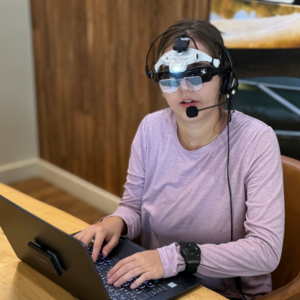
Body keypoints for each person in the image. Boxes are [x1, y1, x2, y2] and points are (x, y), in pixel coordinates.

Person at [74, 19, 284, 300]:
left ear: (225, 76)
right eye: (170, 76)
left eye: (197, 73)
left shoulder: (257, 140)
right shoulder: (151, 128)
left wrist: (175, 258)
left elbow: (265, 252)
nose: (184, 88)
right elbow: (134, 206)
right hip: (158, 283)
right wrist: (116, 222)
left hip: (224, 293)